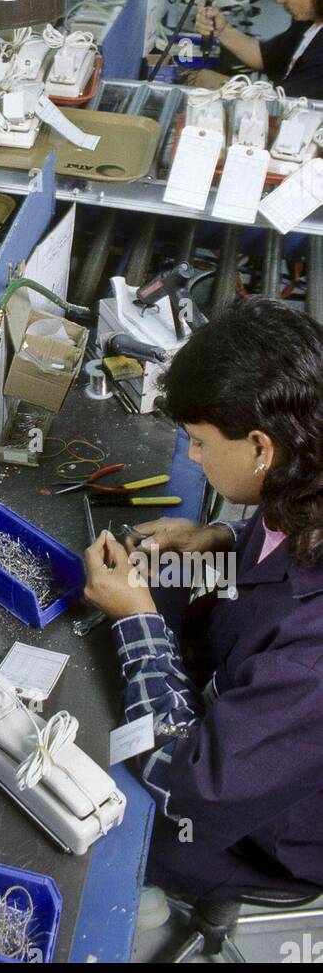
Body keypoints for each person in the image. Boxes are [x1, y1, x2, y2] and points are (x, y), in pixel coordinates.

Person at [84, 299, 323, 899]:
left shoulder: (311, 654)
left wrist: (137, 620)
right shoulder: (306, 482)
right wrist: (219, 538)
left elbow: (187, 785)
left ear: (262, 447)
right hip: (246, 728)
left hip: (253, 837)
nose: (191, 457)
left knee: (83, 828)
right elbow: (283, 542)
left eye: (198, 442)